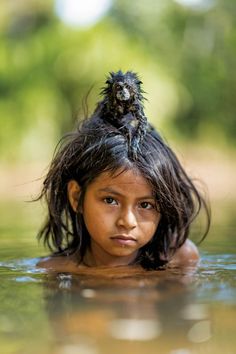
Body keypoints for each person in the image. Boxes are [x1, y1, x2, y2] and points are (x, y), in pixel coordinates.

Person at [37, 71, 210, 272]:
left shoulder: (179, 261)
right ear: (77, 197)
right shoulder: (56, 270)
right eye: (111, 200)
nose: (127, 222)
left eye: (146, 205)